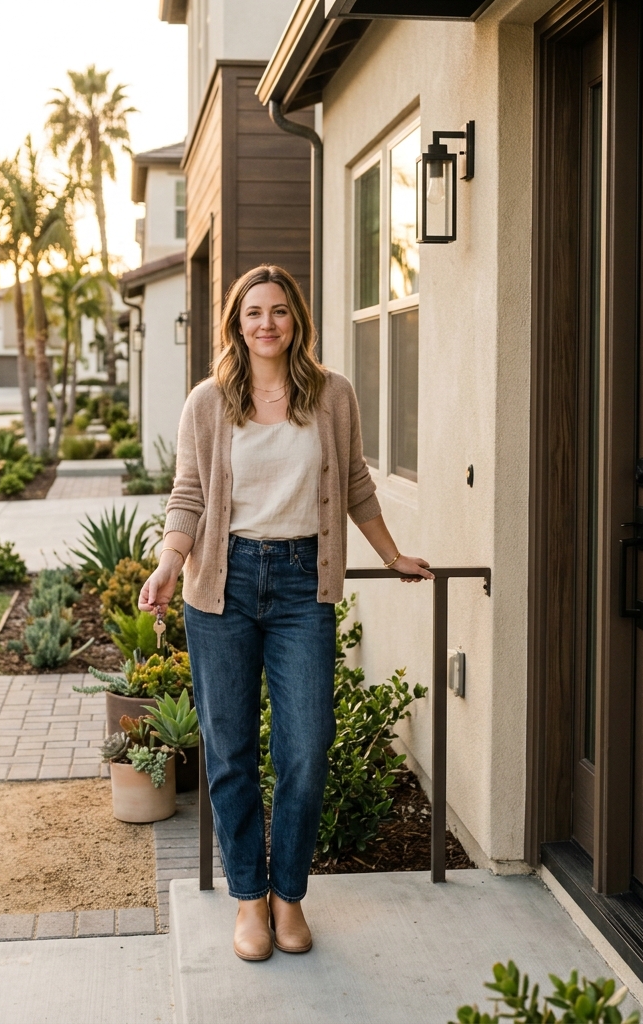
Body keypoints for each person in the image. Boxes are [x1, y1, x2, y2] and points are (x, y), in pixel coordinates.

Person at [139, 264, 432, 962]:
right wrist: (167, 563)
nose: (266, 323)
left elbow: (357, 486)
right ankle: (249, 897)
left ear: (296, 320)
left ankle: (289, 894)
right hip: (223, 585)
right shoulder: (209, 403)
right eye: (252, 313)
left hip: (303, 583)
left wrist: (392, 556)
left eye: (278, 311)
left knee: (304, 747)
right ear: (236, 325)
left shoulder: (332, 396)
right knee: (231, 749)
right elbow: (188, 497)